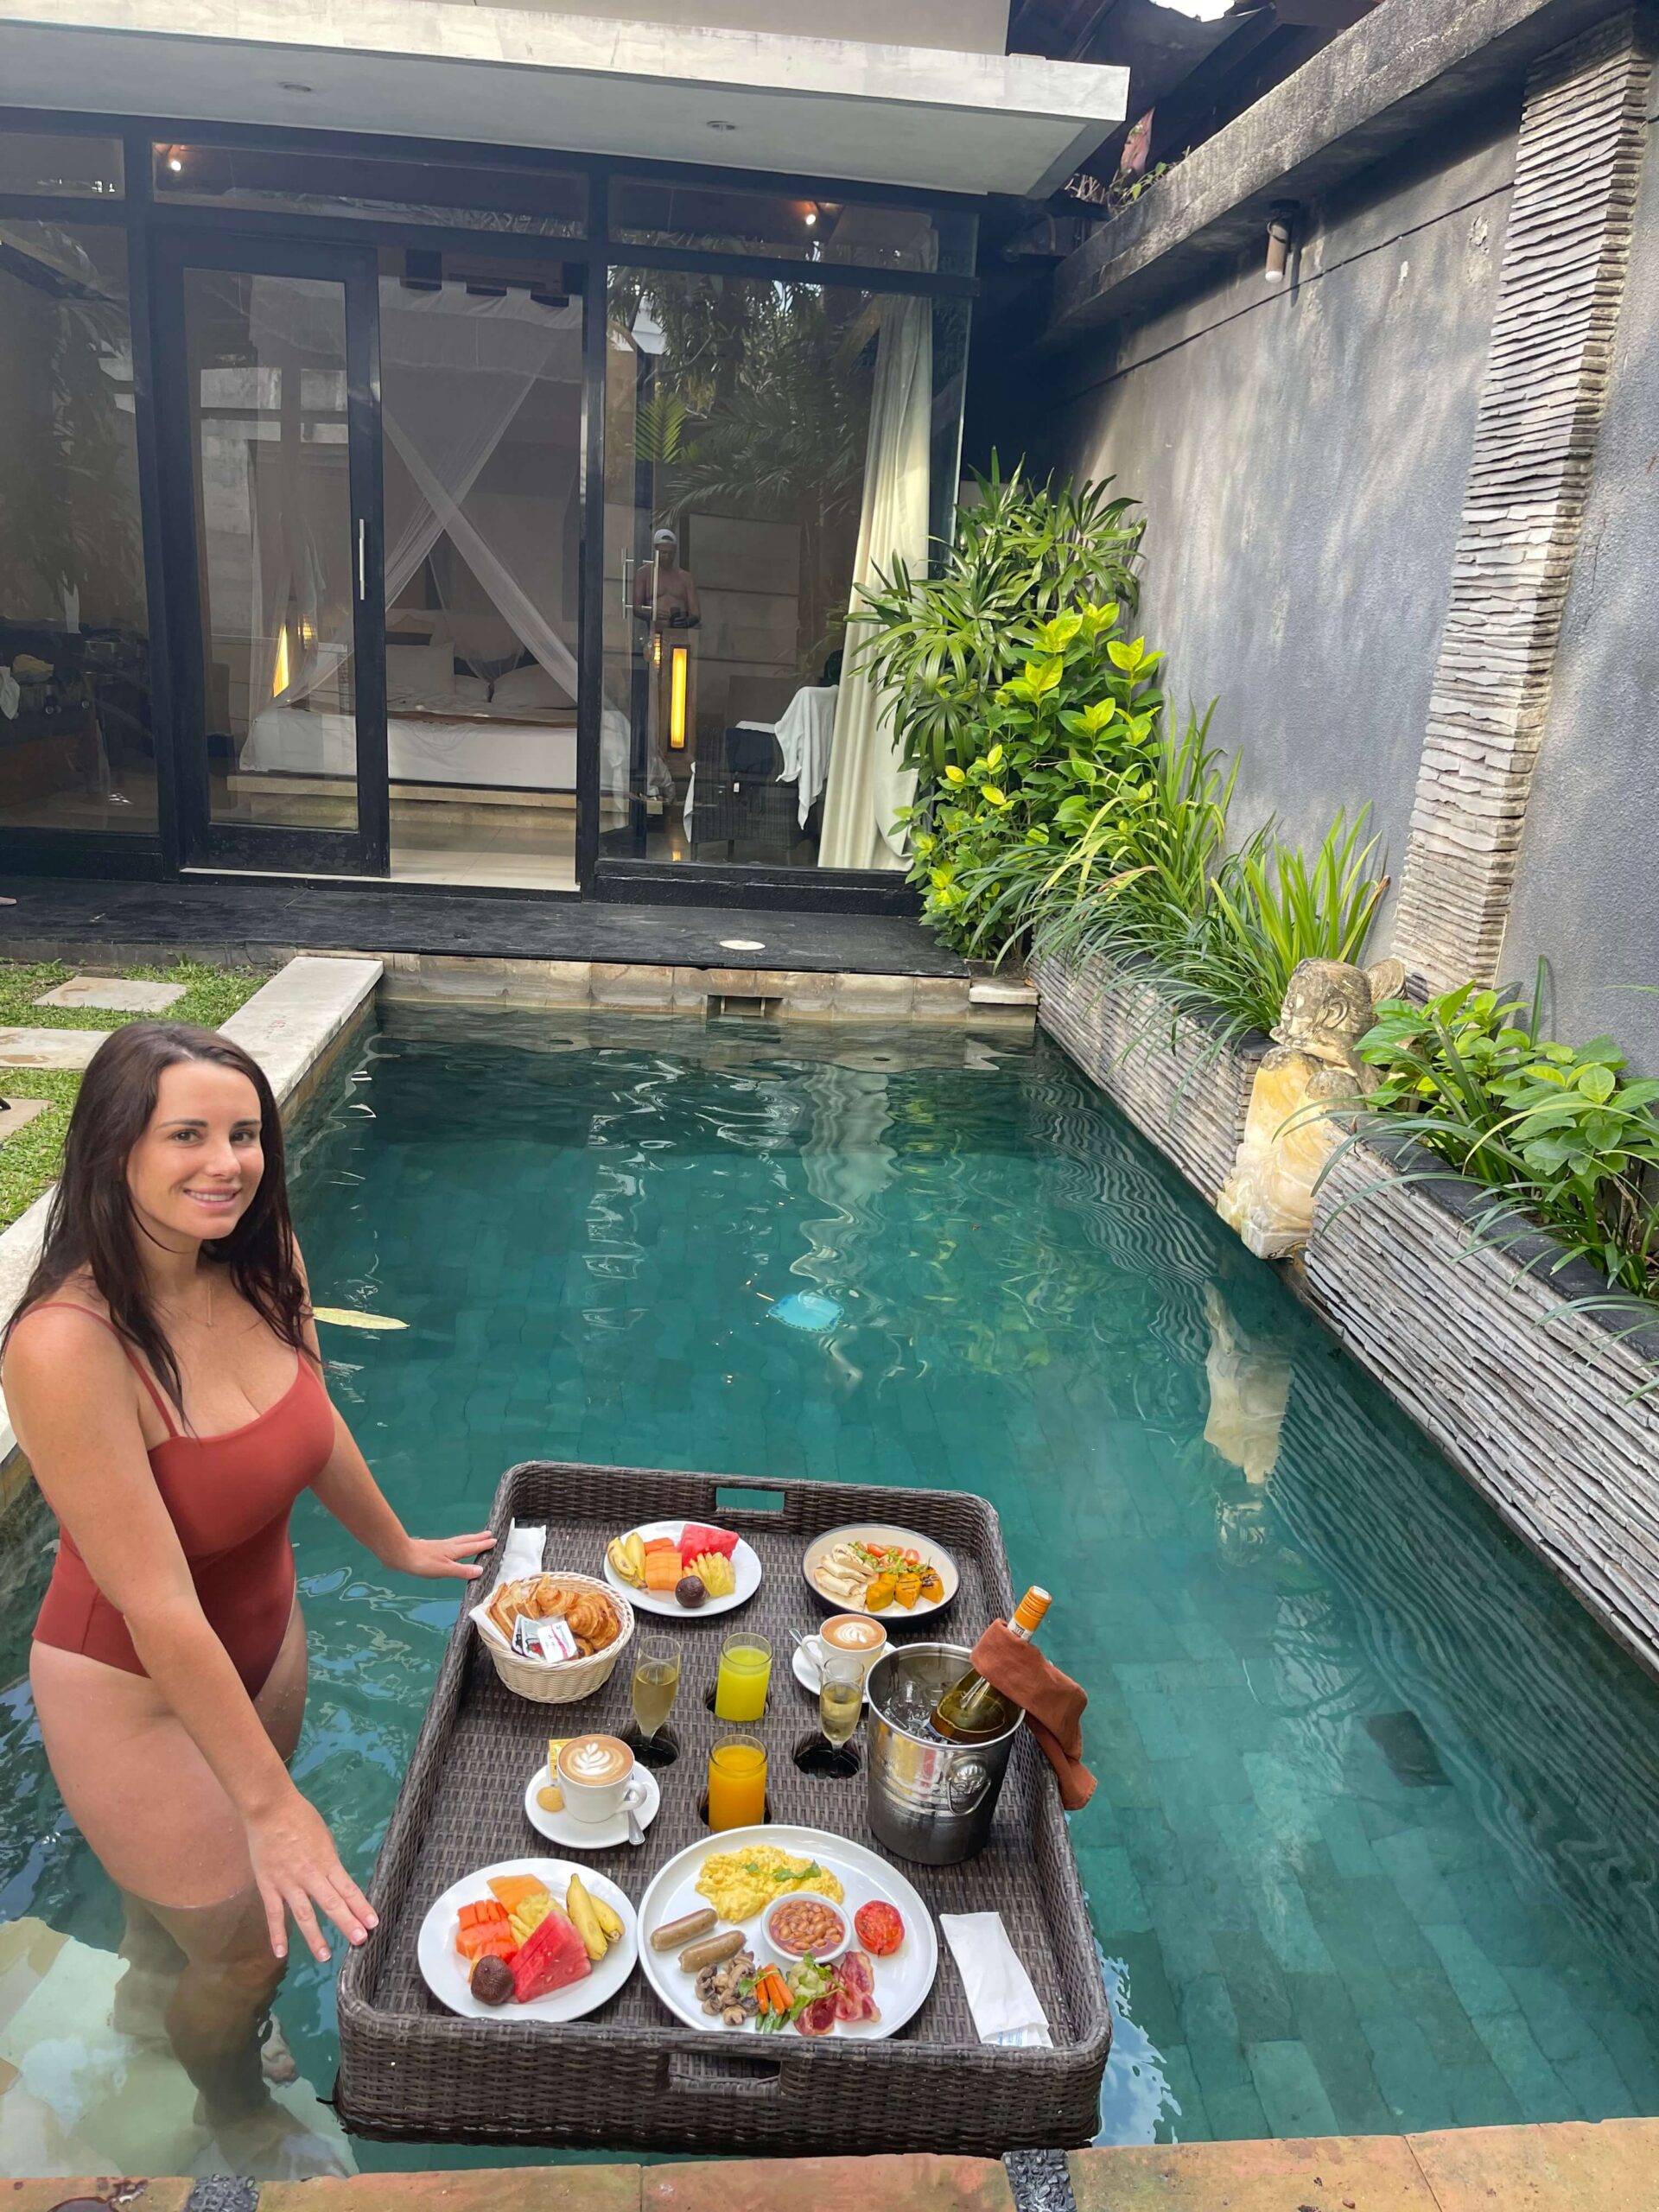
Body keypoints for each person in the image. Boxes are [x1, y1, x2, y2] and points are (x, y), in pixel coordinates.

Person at [0, 1021, 493, 2170]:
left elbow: (311, 1427)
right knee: (249, 1950)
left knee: (183, 1913)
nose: (227, 1162)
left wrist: (395, 1547)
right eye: (188, 1135)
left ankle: (143, 1999)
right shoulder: (67, 1346)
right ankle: (226, 2108)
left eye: (243, 1134)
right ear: (111, 1150)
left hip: (265, 1640)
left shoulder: (263, 1264)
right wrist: (272, 1807)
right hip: (129, 1686)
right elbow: (159, 1605)